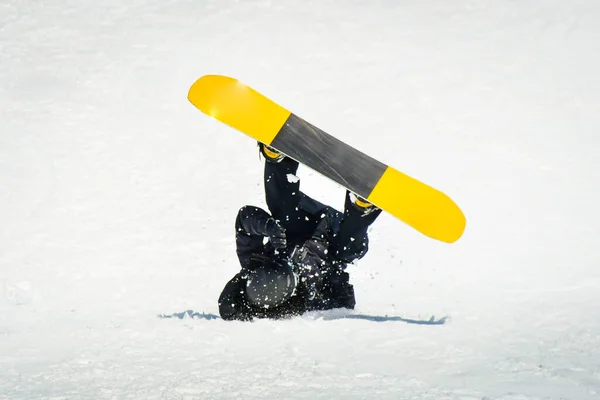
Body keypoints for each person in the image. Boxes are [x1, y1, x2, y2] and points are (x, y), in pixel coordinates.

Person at [218, 143, 382, 321]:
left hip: (305, 220)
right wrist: (335, 281)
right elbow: (344, 305)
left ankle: (278, 159)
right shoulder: (311, 300)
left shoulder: (252, 262)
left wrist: (269, 227)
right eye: (292, 271)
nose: (291, 265)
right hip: (336, 236)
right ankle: (361, 206)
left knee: (281, 210)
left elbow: (245, 220)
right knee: (349, 251)